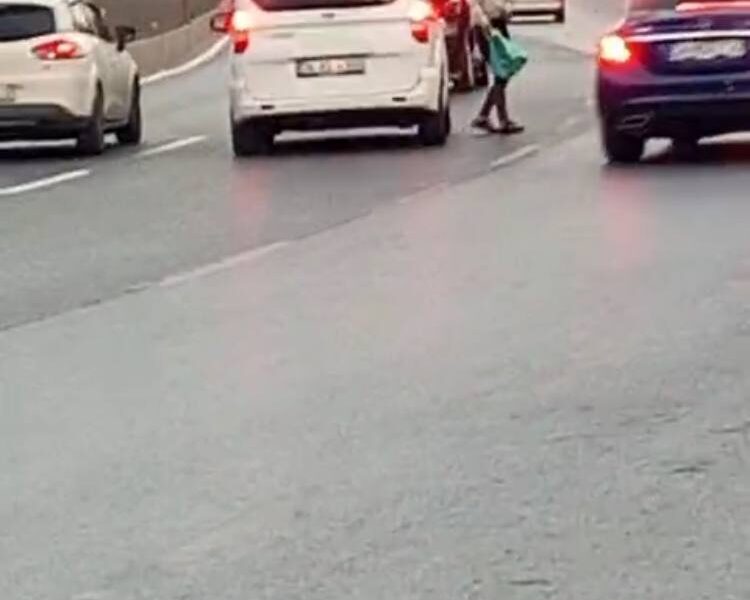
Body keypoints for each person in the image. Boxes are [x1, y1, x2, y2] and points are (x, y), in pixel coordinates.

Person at [470, 0, 524, 135]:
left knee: (504, 71)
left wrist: (507, 9)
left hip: (499, 24)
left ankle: (484, 116)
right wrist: (484, 21)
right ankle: (502, 120)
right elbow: (474, 5)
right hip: (486, 27)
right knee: (501, 73)